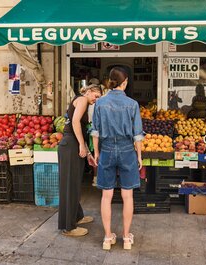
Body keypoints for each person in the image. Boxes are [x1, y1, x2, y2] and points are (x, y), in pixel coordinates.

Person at [91, 67, 144, 250]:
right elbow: (137, 134)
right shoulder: (132, 104)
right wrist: (139, 155)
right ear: (125, 82)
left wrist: (96, 152)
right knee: (127, 195)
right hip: (127, 149)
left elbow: (95, 131)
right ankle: (126, 238)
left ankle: (107, 238)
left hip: (106, 148)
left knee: (106, 195)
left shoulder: (100, 103)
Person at [58, 84, 102, 237]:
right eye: (95, 96)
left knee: (74, 184)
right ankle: (69, 227)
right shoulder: (83, 99)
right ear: (89, 91)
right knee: (71, 185)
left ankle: (77, 216)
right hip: (71, 145)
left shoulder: (79, 99)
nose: (96, 100)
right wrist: (82, 146)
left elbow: (80, 128)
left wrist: (88, 152)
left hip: (70, 144)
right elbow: (76, 122)